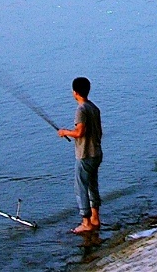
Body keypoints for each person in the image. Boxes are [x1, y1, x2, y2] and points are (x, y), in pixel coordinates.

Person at [58, 77, 103, 234]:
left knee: (81, 188)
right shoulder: (94, 108)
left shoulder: (81, 110)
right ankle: (95, 218)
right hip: (96, 153)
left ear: (75, 93)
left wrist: (65, 132)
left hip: (85, 155)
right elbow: (99, 132)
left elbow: (79, 132)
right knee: (92, 185)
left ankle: (86, 222)